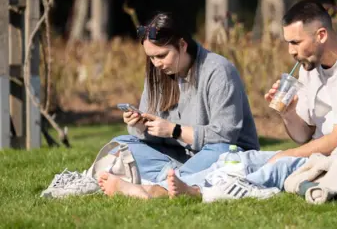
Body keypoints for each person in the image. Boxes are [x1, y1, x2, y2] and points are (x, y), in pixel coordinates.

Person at [99, 0, 337, 200]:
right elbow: (303, 135)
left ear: (321, 34)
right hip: (316, 153)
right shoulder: (310, 67)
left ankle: (169, 191)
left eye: (295, 42)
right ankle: (170, 186)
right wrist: (288, 113)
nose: (291, 52)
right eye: (288, 44)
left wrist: (290, 154)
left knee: (259, 164)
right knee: (238, 163)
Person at [99, 11, 260, 195]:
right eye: (151, 57)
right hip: (180, 157)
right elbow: (155, 137)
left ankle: (159, 187)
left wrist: (174, 130)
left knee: (221, 152)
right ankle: (178, 180)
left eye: (161, 55)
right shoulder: (158, 73)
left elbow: (224, 136)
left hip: (226, 155)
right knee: (121, 144)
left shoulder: (219, 71)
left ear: (182, 45)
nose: (156, 63)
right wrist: (141, 126)